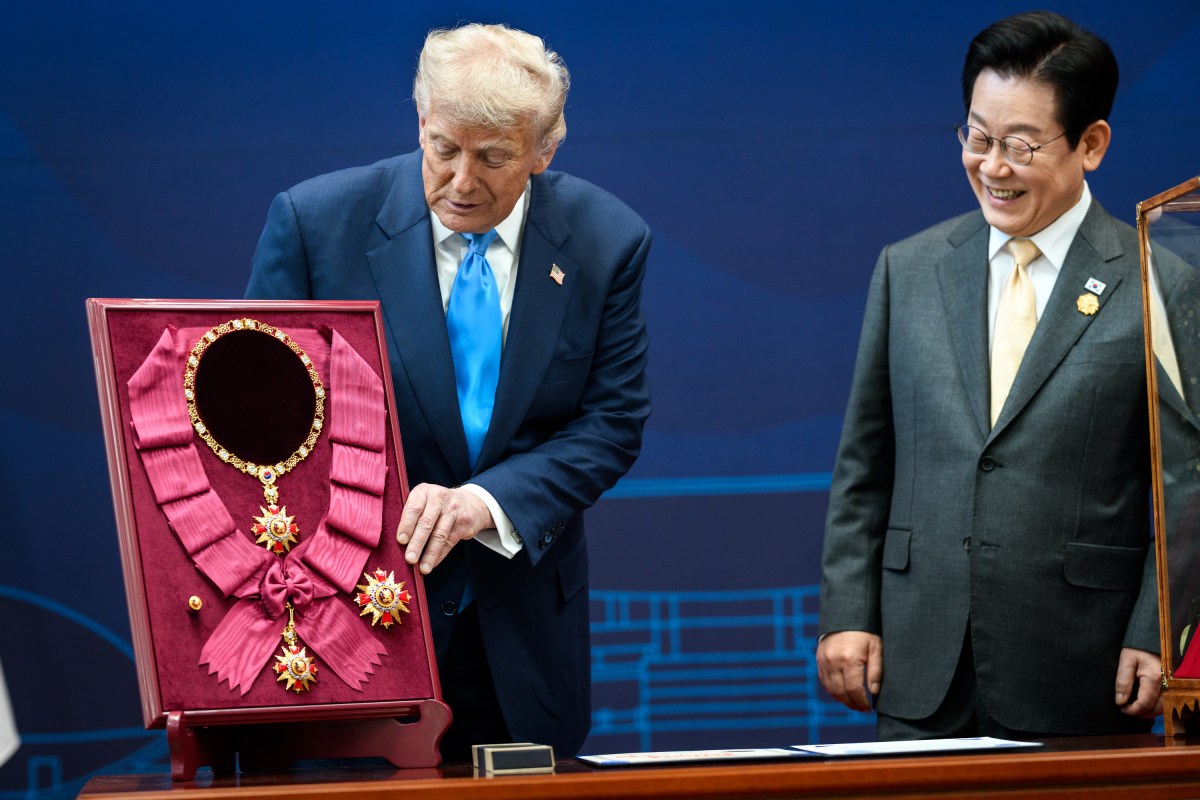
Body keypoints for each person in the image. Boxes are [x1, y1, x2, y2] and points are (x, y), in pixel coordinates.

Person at [245, 23, 651, 760]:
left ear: (544, 150)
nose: (462, 182)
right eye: (444, 150)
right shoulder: (315, 225)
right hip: (340, 630)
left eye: (494, 158)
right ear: (421, 124)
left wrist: (484, 504)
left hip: (519, 637)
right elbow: (258, 432)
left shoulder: (607, 241)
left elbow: (611, 423)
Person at [816, 10, 1163, 740]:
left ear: (1091, 144)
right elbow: (865, 465)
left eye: (1020, 144)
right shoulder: (907, 270)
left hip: (1082, 666)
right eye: (977, 138)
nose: (992, 166)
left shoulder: (1159, 284)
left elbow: (1186, 487)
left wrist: (1161, 629)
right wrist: (848, 615)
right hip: (919, 661)